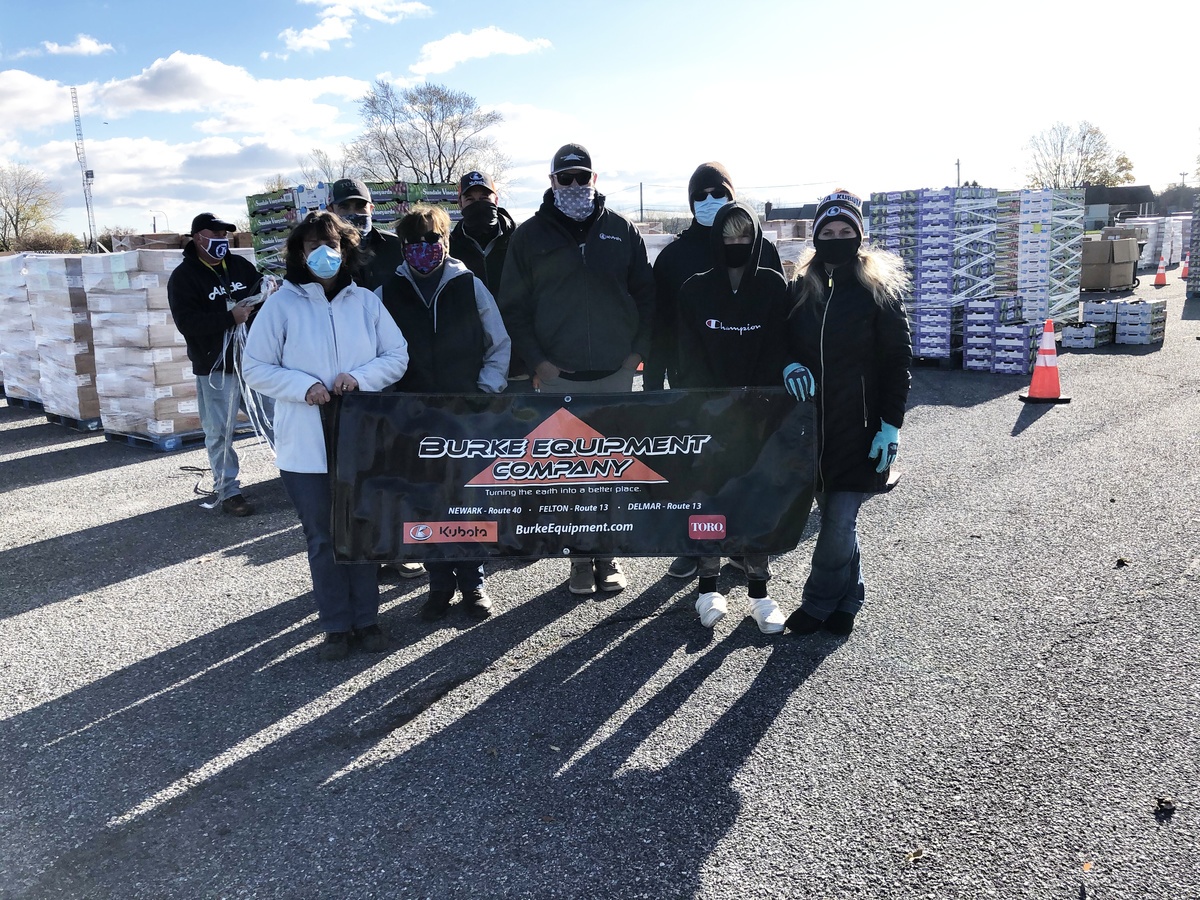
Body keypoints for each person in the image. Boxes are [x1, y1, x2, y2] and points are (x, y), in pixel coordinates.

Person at [242, 211, 409, 661]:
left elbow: (397, 355)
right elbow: (255, 366)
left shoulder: (366, 303)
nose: (322, 253)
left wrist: (359, 377)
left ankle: (368, 621)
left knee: (362, 529)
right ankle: (336, 625)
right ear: (298, 252)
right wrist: (303, 387)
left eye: (331, 244)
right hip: (305, 445)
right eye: (312, 245)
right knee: (322, 535)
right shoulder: (281, 304)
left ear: (346, 249)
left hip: (361, 438)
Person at [498, 142, 655, 597]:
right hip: (556, 377)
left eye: (581, 177)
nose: (573, 185)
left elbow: (646, 295)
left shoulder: (621, 230)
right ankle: (579, 560)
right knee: (567, 475)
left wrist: (635, 354)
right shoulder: (529, 236)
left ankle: (607, 558)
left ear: (594, 179)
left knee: (611, 472)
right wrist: (538, 362)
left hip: (613, 374)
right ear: (551, 182)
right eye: (564, 178)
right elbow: (513, 307)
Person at [780, 189, 912, 637]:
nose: (836, 238)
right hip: (812, 430)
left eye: (845, 231)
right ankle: (850, 595)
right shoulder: (799, 287)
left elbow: (898, 360)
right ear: (817, 236)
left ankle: (817, 602)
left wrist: (890, 425)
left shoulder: (879, 290)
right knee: (836, 517)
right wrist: (789, 362)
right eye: (828, 232)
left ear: (859, 235)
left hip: (860, 429)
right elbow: (782, 342)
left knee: (838, 520)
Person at [647, 162, 786, 581]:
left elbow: (779, 321)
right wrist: (655, 385)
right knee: (698, 470)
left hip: (754, 387)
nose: (710, 202)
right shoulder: (673, 257)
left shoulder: (763, 251)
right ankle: (696, 546)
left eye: (718, 193)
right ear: (690, 203)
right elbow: (659, 326)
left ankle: (743, 545)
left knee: (747, 466)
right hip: (694, 383)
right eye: (700, 196)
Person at [379, 204, 511, 622]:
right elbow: (376, 352)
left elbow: (498, 344)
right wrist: (390, 397)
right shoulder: (387, 292)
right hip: (412, 414)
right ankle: (438, 585)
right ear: (403, 247)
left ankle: (473, 584)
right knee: (425, 501)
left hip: (464, 412)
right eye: (413, 242)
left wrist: (484, 391)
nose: (423, 248)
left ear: (445, 241)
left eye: (431, 240)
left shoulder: (469, 286)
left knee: (467, 498)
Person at [675, 202, 790, 634]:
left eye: (745, 237)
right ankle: (707, 588)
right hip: (710, 413)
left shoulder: (774, 287)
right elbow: (686, 354)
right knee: (710, 499)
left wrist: (764, 400)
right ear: (715, 240)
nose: (736, 244)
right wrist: (702, 403)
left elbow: (781, 346)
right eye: (728, 237)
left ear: (756, 239)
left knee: (757, 500)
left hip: (760, 414)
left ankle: (760, 592)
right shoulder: (694, 289)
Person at [329, 176, 425, 580]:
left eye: (361, 206)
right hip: (344, 381)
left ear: (372, 208)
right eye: (346, 206)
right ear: (332, 209)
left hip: (393, 372)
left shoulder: (393, 247)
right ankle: (370, 548)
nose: (356, 213)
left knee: (401, 467)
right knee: (358, 472)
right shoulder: (326, 253)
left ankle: (404, 547)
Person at [167, 212, 267, 516]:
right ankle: (228, 491)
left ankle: (294, 476)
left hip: (254, 363)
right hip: (216, 369)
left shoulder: (240, 266)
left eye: (225, 235)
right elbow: (187, 323)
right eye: (216, 234)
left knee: (277, 419)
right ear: (198, 238)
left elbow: (261, 302)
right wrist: (228, 318)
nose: (222, 239)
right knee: (220, 432)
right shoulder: (184, 277)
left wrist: (268, 296)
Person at [449, 171, 529, 392]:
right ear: (460, 203)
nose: (478, 204)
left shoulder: (522, 241)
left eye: (484, 198)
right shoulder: (449, 247)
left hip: (521, 368)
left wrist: (537, 363)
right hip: (472, 372)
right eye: (470, 199)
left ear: (496, 199)